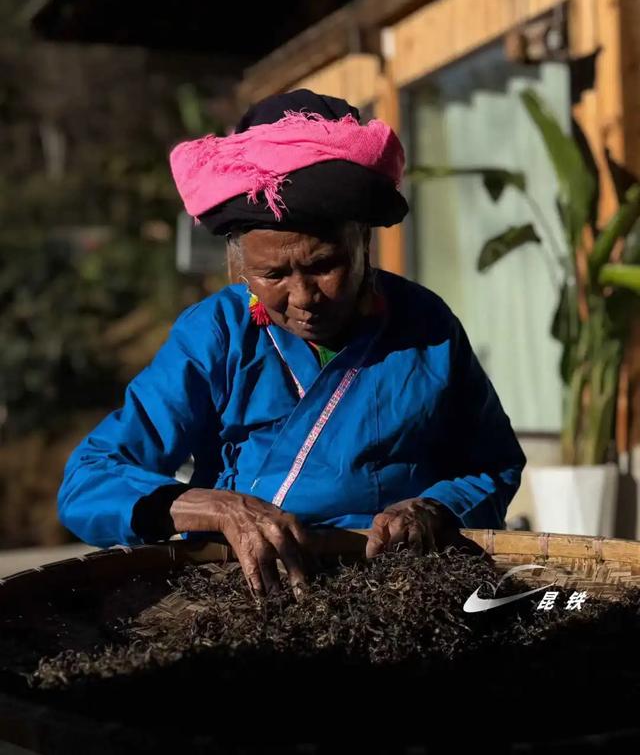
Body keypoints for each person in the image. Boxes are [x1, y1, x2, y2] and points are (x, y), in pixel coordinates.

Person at [58, 89, 526, 596]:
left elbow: (492, 463)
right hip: (245, 587)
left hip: (398, 584)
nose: (303, 298)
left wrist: (433, 507)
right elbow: (89, 479)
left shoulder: (425, 325)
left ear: (362, 242)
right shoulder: (216, 333)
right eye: (272, 273)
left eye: (325, 265)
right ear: (240, 268)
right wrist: (217, 507)